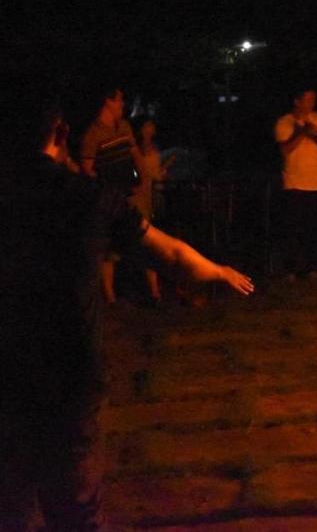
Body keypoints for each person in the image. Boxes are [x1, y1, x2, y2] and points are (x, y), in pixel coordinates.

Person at [1, 101, 253, 528]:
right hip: (68, 369)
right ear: (60, 134)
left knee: (9, 500)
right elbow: (169, 253)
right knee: (75, 505)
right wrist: (218, 273)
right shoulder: (87, 197)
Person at [79, 85, 144, 305]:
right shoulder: (93, 133)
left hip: (129, 195)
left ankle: (134, 290)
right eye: (119, 100)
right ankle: (110, 296)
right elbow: (87, 169)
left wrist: (140, 179)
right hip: (107, 200)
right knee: (108, 250)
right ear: (108, 101)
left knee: (134, 241)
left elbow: (135, 156)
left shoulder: (124, 126)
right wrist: (104, 188)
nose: (122, 104)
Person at [273, 88, 317, 280]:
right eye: (307, 99)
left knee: (314, 228)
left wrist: (316, 135)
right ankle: (291, 268)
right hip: (294, 182)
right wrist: (302, 133)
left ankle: (312, 267)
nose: (311, 103)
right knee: (293, 228)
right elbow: (285, 150)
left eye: (313, 99)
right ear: (297, 101)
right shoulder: (285, 122)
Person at [130, 119, 175, 304]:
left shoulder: (154, 147)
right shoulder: (137, 148)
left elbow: (154, 171)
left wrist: (163, 172)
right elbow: (140, 172)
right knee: (147, 237)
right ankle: (152, 289)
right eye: (148, 125)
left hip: (154, 194)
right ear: (142, 129)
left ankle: (157, 287)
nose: (152, 128)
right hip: (142, 195)